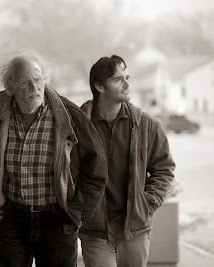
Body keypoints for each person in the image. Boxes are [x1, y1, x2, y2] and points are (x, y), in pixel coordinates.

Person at [0, 50, 108, 267]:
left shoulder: (69, 114)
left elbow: (96, 168)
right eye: (25, 83)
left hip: (57, 222)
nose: (34, 88)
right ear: (10, 87)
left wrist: (77, 213)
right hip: (10, 220)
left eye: (38, 80)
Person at [78, 55, 176, 267]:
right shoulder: (78, 126)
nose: (127, 84)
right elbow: (65, 172)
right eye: (117, 79)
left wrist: (148, 203)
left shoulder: (147, 125)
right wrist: (79, 208)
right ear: (99, 86)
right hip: (95, 229)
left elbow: (164, 170)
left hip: (135, 228)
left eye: (127, 77)